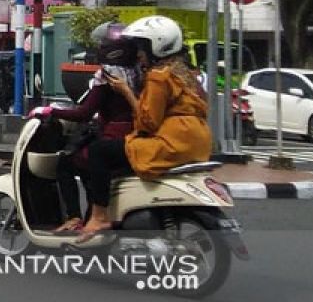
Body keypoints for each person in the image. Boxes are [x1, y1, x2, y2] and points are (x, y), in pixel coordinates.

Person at [78, 15, 211, 240]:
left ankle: (98, 216)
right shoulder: (187, 74)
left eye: (142, 47)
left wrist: (126, 92)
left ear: (157, 46)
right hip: (198, 142)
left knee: (100, 151)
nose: (139, 53)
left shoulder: (159, 76)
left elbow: (148, 122)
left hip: (171, 143)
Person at [30, 23, 142, 232]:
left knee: (65, 163)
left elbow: (83, 113)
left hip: (114, 137)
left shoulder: (108, 76)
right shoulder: (139, 73)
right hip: (138, 135)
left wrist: (49, 112)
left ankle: (74, 217)